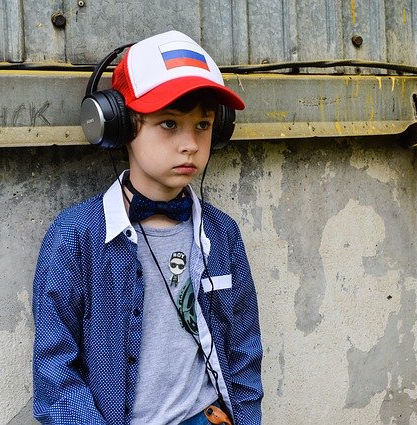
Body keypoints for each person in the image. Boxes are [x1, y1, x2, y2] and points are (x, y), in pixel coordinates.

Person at [32, 30, 263, 425]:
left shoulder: (221, 233)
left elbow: (244, 349)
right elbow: (56, 375)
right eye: (169, 124)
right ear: (119, 125)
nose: (190, 143)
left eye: (204, 125)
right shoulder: (75, 236)